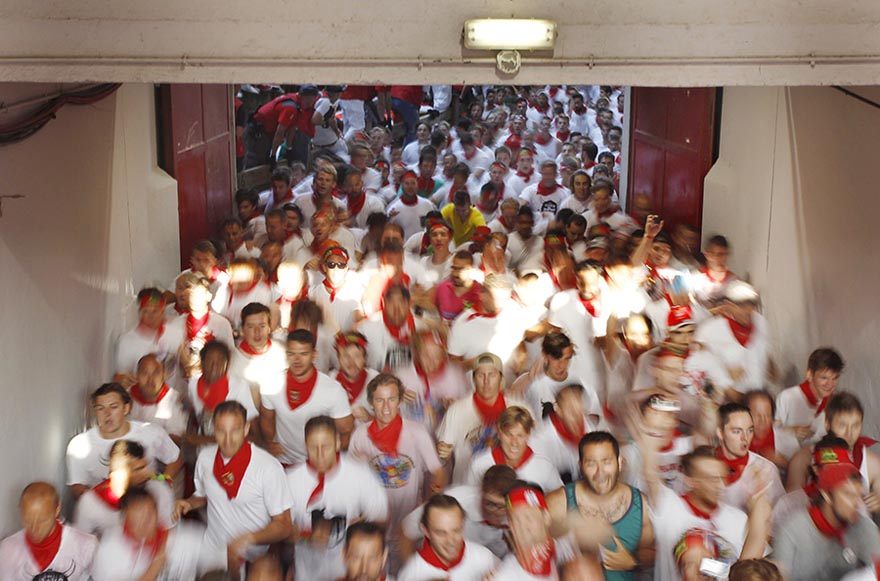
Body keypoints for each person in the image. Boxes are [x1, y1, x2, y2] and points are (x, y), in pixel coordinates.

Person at [173, 401, 293, 578]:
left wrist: (247, 539)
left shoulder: (268, 467)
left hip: (251, 559)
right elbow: (204, 494)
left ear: (246, 429)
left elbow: (284, 525)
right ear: (214, 429)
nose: (228, 439)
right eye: (221, 431)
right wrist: (189, 503)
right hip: (213, 550)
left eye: (235, 430)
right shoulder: (205, 458)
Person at [637, 443, 770, 581]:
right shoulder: (670, 506)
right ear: (690, 481)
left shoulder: (738, 520)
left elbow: (750, 568)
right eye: (712, 479)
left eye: (722, 478)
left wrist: (759, 506)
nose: (720, 486)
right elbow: (651, 477)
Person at [348, 374, 445, 555]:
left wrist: (430, 502)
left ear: (399, 401)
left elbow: (437, 472)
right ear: (370, 403)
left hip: (408, 527)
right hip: (373, 525)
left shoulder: (417, 432)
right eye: (380, 400)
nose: (386, 407)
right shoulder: (360, 435)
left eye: (391, 399)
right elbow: (350, 482)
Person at [285, 416, 388, 581]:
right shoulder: (291, 481)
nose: (320, 454)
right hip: (307, 573)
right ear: (305, 446)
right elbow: (281, 530)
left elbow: (381, 520)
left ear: (338, 443)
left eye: (325, 446)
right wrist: (307, 537)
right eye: (313, 447)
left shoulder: (361, 475)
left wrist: (358, 526)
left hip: (350, 573)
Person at [546, 431, 655, 580]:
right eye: (591, 463)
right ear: (581, 466)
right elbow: (530, 544)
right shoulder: (559, 501)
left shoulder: (639, 502)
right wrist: (568, 526)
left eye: (606, 461)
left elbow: (650, 552)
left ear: (620, 462)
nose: (600, 472)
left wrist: (633, 561)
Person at [773, 450, 880, 580]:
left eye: (860, 496)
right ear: (827, 495)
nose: (857, 503)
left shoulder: (865, 527)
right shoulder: (792, 530)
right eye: (849, 495)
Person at [66, 383, 181, 498]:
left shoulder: (152, 432)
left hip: (146, 506)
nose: (107, 414)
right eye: (100, 408)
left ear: (126, 408)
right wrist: (101, 501)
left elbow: (175, 458)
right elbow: (77, 486)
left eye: (113, 407)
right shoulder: (79, 446)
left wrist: (162, 484)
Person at [259, 329, 353, 466]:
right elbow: (266, 418)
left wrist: (329, 456)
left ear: (314, 355)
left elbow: (346, 430)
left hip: (319, 464)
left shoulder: (333, 390)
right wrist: (268, 442)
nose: (297, 360)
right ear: (286, 355)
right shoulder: (271, 384)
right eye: (292, 354)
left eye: (303, 354)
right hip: (284, 461)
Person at [402, 465, 517, 560]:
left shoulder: (520, 512)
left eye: (502, 507)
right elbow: (405, 532)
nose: (496, 512)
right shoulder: (456, 500)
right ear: (481, 491)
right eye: (490, 504)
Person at [90, 487, 204, 580]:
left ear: (157, 513)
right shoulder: (109, 549)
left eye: (148, 517)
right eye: (136, 521)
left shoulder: (185, 538)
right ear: (125, 520)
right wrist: (158, 561)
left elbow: (218, 551)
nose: (144, 526)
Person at [73, 439, 175, 536]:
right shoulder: (90, 503)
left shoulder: (158, 491)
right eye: (139, 469)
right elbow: (80, 545)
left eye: (145, 466)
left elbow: (169, 534)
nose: (147, 474)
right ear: (118, 473)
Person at [0, 482, 97, 580]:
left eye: (42, 521)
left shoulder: (86, 545)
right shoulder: (8, 549)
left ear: (57, 510)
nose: (34, 528)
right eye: (27, 520)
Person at [694, 281, 770, 397]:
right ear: (728, 305)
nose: (748, 310)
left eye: (751, 305)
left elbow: (762, 353)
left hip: (757, 395)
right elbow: (697, 367)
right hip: (726, 400)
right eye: (742, 305)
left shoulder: (761, 322)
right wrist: (724, 375)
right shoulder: (708, 330)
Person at [397, 495, 498, 580]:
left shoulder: (484, 558)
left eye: (456, 530)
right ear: (426, 531)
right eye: (441, 533)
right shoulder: (412, 574)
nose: (450, 541)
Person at [511, 331, 601, 424]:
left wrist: (578, 421)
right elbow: (510, 399)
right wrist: (530, 377)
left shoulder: (580, 384)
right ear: (544, 355)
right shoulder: (531, 380)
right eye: (556, 358)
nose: (561, 365)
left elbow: (595, 416)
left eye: (566, 359)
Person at [467, 406, 562, 494]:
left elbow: (562, 501)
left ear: (528, 435)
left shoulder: (544, 466)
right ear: (499, 433)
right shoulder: (479, 464)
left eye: (520, 436)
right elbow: (469, 501)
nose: (514, 442)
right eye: (508, 435)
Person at [491, 483, 576, 579]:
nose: (523, 526)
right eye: (516, 521)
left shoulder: (571, 547)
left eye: (528, 518)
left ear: (546, 518)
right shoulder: (505, 576)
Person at [713, 403, 785, 511]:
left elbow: (779, 515)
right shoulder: (704, 465)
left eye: (750, 430)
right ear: (720, 433)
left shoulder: (766, 469)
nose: (745, 438)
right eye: (737, 431)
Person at [187, 340, 260, 441]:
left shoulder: (238, 387)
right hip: (204, 448)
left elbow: (252, 425)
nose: (214, 366)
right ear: (202, 362)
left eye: (220, 361)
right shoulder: (193, 384)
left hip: (232, 446)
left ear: (227, 365)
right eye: (209, 360)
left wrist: (201, 440)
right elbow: (196, 414)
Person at [114, 287, 184, 388]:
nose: (151, 316)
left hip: (172, 400)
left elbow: (185, 369)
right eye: (146, 311)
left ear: (162, 310)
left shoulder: (177, 334)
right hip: (141, 401)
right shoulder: (126, 342)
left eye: (155, 311)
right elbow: (121, 378)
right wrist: (120, 379)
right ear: (139, 312)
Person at [530, 384, 599, 482]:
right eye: (571, 409)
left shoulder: (588, 427)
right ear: (558, 409)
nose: (577, 416)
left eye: (579, 405)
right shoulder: (542, 438)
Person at [775, 347, 845, 443]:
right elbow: (770, 433)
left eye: (835, 378)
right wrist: (791, 431)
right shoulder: (787, 397)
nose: (830, 384)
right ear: (809, 375)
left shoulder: (838, 402)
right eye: (824, 378)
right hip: (787, 457)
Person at [128, 353, 188, 441]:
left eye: (156, 373)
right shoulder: (126, 396)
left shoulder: (173, 400)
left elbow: (176, 439)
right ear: (137, 375)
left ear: (164, 375)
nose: (150, 380)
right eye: (145, 373)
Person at [743, 389, 800, 471]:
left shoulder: (788, 441)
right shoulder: (734, 439)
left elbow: (805, 475)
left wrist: (784, 463)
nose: (763, 421)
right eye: (757, 415)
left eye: (768, 415)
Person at [332, 331, 380, 423]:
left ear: (364, 358)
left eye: (357, 356)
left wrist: (369, 417)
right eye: (346, 356)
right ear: (338, 358)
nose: (351, 362)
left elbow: (389, 422)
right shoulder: (329, 381)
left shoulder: (377, 381)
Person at [387, 170, 435, 240]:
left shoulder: (427, 205)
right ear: (402, 185)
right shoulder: (394, 209)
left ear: (417, 185)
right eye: (407, 183)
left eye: (413, 183)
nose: (410, 187)